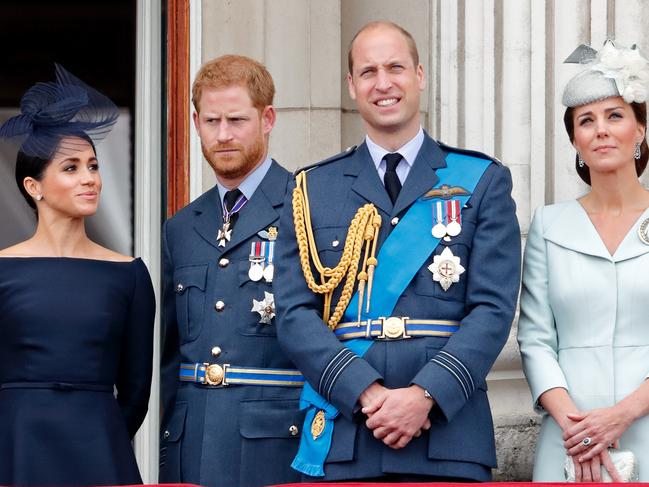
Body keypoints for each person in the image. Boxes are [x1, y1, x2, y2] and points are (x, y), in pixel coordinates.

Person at [274, 21, 521, 482]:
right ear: (351, 86)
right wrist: (366, 393)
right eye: (368, 71)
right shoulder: (311, 188)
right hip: (348, 433)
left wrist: (425, 395)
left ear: (420, 75)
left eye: (395, 68)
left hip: (447, 436)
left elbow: (492, 309)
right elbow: (293, 314)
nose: (382, 83)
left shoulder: (481, 180)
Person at [0, 64, 155, 486]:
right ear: (35, 187)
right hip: (16, 447)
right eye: (71, 168)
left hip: (100, 451)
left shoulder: (130, 275)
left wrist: (99, 437)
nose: (89, 179)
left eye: (93, 166)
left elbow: (136, 393)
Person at [159, 55, 304, 487]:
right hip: (191, 445)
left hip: (275, 446)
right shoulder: (181, 227)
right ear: (195, 122)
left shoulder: (307, 207)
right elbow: (171, 357)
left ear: (267, 118)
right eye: (211, 120)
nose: (223, 135)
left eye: (237, 120)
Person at [518, 41, 649, 482]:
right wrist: (578, 427)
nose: (601, 130)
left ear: (640, 130)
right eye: (586, 121)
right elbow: (535, 338)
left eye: (615, 115)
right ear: (574, 139)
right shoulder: (548, 225)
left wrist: (621, 415)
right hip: (568, 437)